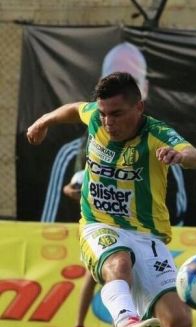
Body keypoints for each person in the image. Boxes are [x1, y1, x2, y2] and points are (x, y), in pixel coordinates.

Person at [26, 72, 196, 327]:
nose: (108, 121)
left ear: (139, 107)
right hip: (99, 225)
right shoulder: (95, 116)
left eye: (117, 113)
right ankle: (125, 324)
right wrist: (44, 120)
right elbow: (74, 109)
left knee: (180, 323)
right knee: (118, 262)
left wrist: (178, 156)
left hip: (148, 234)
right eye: (105, 114)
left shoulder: (156, 133)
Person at [41, 42, 188, 226]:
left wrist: (184, 156)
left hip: (141, 234)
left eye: (132, 83)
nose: (110, 121)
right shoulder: (70, 154)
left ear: (144, 91)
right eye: (113, 82)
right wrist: (43, 121)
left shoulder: (163, 147)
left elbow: (178, 217)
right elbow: (47, 225)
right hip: (95, 234)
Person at [62, 169, 100, 327]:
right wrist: (75, 192)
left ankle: (119, 326)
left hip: (119, 226)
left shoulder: (119, 169)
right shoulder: (84, 173)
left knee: (119, 277)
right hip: (93, 227)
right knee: (91, 275)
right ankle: (79, 324)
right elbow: (68, 188)